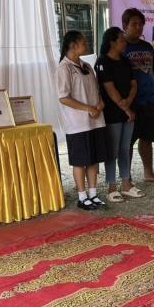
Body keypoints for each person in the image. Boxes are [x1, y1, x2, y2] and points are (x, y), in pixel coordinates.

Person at [55, 30, 107, 210]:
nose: (87, 45)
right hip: (77, 124)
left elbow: (96, 89)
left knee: (93, 159)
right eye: (83, 42)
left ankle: (93, 193)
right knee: (80, 160)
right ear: (73, 45)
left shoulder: (87, 65)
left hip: (95, 120)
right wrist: (88, 109)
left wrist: (99, 104)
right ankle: (82, 196)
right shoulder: (64, 68)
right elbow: (63, 97)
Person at [95, 27, 143, 202]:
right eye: (122, 40)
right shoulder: (102, 62)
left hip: (128, 110)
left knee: (125, 148)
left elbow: (134, 84)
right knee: (112, 150)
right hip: (112, 113)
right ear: (112, 42)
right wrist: (126, 108)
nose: (125, 43)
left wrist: (128, 102)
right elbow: (109, 89)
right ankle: (111, 186)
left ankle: (126, 183)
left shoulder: (125, 60)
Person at [121, 8, 154, 184]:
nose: (138, 27)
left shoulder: (147, 46)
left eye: (141, 24)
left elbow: (151, 72)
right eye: (134, 24)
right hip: (130, 103)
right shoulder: (120, 47)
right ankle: (127, 177)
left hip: (150, 100)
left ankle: (149, 173)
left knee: (147, 139)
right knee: (128, 141)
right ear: (125, 25)